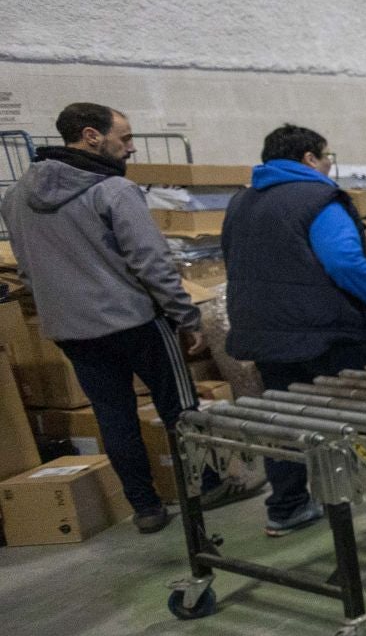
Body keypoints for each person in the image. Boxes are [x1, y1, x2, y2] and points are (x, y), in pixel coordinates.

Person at [1, 103, 259, 532]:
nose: (132, 148)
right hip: (135, 322)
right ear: (91, 136)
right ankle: (207, 486)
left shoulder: (16, 196)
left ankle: (146, 507)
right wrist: (185, 316)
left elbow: (25, 268)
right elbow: (151, 262)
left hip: (71, 329)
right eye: (125, 137)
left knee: (113, 415)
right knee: (180, 408)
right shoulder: (113, 191)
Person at [221, 125, 366, 534]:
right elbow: (344, 262)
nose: (329, 165)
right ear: (309, 158)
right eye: (326, 157)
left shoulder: (241, 202)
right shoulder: (319, 199)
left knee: (284, 421)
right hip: (330, 331)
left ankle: (287, 507)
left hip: (266, 334)